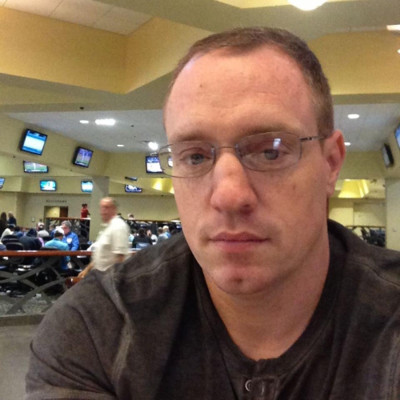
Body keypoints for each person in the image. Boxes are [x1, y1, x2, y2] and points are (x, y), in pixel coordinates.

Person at [25, 27, 400, 399]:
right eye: (195, 156)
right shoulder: (97, 327)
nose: (229, 195)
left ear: (330, 163)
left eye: (270, 151)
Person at [77, 197, 130, 278]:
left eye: (106, 207)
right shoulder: (107, 228)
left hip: (109, 279)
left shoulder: (118, 227)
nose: (103, 211)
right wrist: (87, 270)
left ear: (114, 209)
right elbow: (100, 256)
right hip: (99, 277)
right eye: (101, 208)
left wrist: (113, 281)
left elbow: (120, 258)